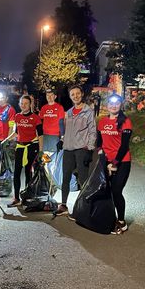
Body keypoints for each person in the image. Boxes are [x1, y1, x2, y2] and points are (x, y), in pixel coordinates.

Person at [55, 85, 97, 217]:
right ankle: (63, 205)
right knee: (65, 178)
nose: (75, 96)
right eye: (72, 94)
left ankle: (84, 207)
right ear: (70, 97)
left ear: (82, 94)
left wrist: (90, 149)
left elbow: (92, 132)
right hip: (68, 149)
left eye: (77, 93)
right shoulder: (68, 113)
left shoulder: (88, 112)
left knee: (83, 179)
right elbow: (66, 131)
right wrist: (61, 141)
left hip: (81, 149)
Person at [97, 94, 132, 234]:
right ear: (107, 106)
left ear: (121, 105)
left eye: (117, 103)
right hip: (106, 162)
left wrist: (115, 163)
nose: (113, 106)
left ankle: (122, 222)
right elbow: (99, 142)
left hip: (122, 161)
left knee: (117, 191)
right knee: (107, 191)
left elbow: (124, 146)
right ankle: (109, 216)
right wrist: (101, 155)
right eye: (111, 103)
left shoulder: (125, 122)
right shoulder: (102, 122)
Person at [1, 95, 44, 207]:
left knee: (28, 172)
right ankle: (16, 198)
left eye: (26, 103)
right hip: (20, 147)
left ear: (30, 105)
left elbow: (40, 136)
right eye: (22, 103)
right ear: (20, 104)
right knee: (17, 173)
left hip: (32, 147)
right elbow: (16, 132)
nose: (23, 105)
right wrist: (6, 140)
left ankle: (27, 198)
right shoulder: (17, 116)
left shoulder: (36, 118)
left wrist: (41, 151)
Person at [39, 88, 65, 154]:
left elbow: (61, 122)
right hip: (44, 135)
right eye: (47, 95)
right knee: (44, 156)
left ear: (55, 97)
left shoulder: (59, 107)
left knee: (52, 155)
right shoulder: (43, 108)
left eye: (51, 95)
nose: (49, 97)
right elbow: (39, 122)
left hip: (55, 136)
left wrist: (62, 137)